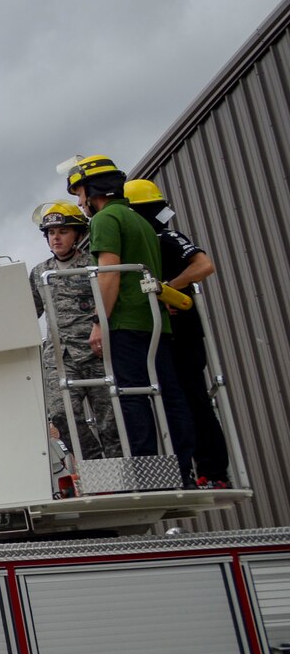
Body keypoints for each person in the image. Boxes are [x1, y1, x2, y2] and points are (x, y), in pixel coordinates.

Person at [65, 154, 197, 484]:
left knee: (132, 397)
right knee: (171, 396)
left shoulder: (105, 220)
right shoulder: (137, 219)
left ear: (94, 189)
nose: (80, 202)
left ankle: (151, 476)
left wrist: (99, 322)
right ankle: (183, 471)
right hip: (156, 323)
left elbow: (109, 274)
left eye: (80, 193)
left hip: (126, 323)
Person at [128, 177, 234, 488]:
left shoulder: (167, 238)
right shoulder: (145, 244)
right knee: (176, 402)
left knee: (193, 400)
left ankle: (214, 471)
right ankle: (189, 469)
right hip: (162, 334)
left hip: (183, 334)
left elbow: (204, 266)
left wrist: (167, 289)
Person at [27, 201, 120, 461]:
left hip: (97, 352)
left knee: (110, 421)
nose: (56, 238)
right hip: (60, 357)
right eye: (51, 233)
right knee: (60, 414)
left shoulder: (94, 265)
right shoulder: (39, 273)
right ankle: (94, 463)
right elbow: (28, 312)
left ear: (77, 234)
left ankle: (116, 470)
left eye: (63, 232)